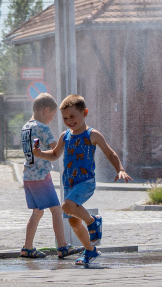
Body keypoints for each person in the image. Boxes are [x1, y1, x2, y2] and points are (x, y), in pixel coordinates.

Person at [33, 94, 132, 265]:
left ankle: (93, 221)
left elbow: (110, 153)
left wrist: (120, 169)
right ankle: (90, 250)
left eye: (73, 116)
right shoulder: (65, 135)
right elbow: (56, 154)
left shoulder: (92, 134)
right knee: (72, 219)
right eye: (65, 118)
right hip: (69, 184)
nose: (69, 121)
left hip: (85, 182)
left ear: (84, 113)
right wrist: (41, 154)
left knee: (66, 206)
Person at [20, 92, 79, 259]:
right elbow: (56, 149)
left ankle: (27, 247)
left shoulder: (26, 127)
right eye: (52, 116)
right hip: (41, 177)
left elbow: (35, 150)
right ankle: (62, 246)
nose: (52, 120)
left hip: (28, 177)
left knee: (37, 212)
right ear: (46, 111)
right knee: (56, 210)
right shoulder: (42, 128)